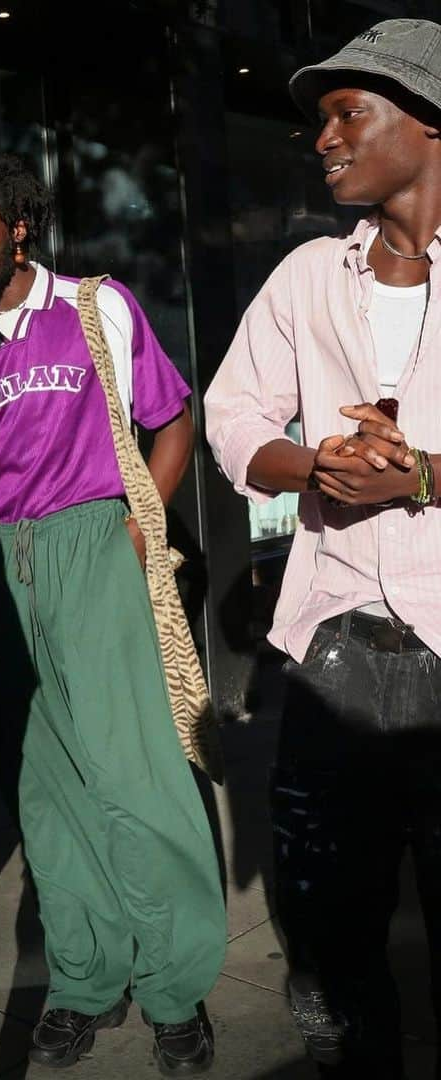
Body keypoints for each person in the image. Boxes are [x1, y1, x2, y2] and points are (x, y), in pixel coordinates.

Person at [0, 150, 226, 1075]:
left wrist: (139, 523)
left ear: (17, 225)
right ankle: (86, 982)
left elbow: (173, 419)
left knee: (138, 776)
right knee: (47, 794)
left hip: (97, 545)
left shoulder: (95, 306)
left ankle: (175, 990)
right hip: (2, 566)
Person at [205, 19, 441, 1079]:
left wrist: (425, 475)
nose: (323, 140)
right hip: (335, 644)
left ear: (429, 121)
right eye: (319, 121)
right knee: (330, 925)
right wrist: (312, 468)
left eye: (350, 113)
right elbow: (232, 413)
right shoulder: (309, 274)